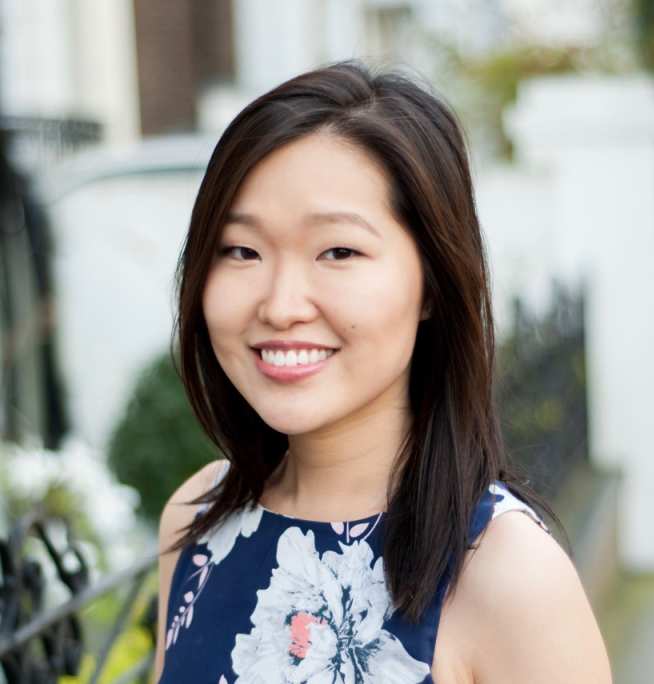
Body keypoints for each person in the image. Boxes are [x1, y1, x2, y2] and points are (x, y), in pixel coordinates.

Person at [153, 59, 612, 683]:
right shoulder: (196, 521)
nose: (281, 306)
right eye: (242, 250)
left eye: (338, 251)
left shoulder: (506, 575)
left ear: (432, 283)